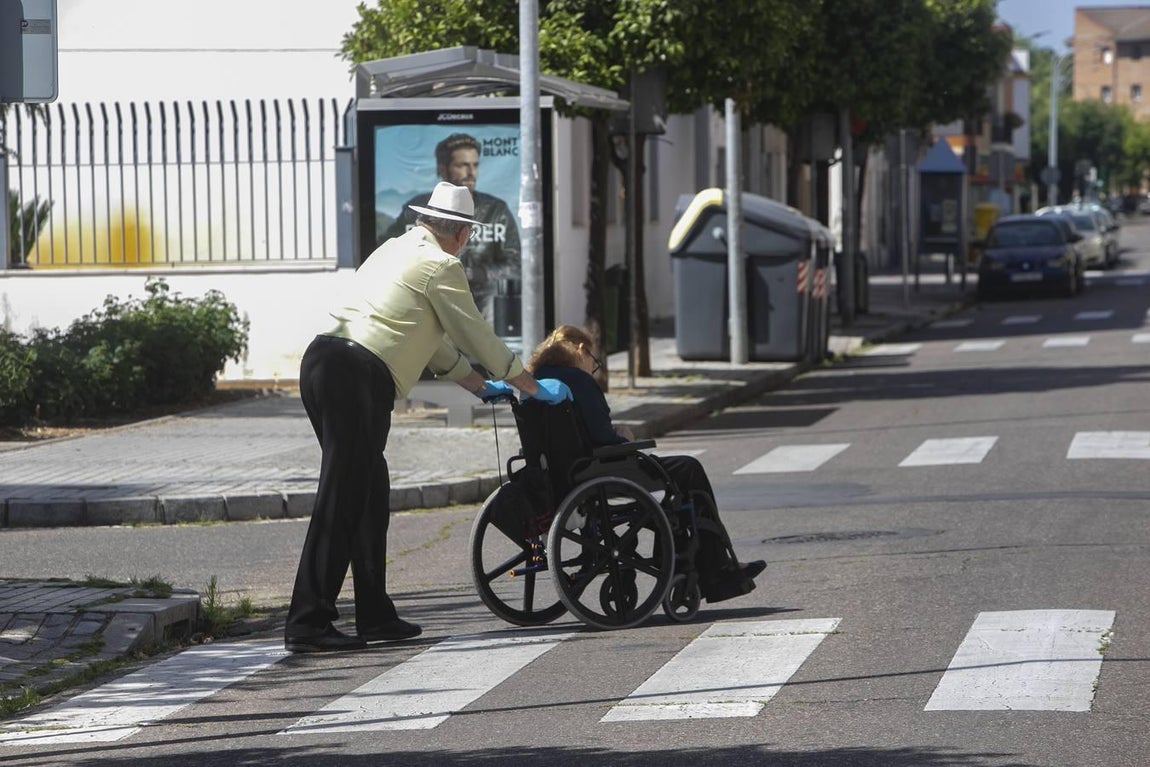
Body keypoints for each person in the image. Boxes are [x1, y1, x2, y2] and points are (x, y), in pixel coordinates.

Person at [285, 182, 571, 654]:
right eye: (467, 234)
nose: (466, 242)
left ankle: (374, 614)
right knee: (341, 497)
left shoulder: (394, 250)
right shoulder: (441, 265)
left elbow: (431, 340)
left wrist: (480, 387)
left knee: (369, 492)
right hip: (357, 376)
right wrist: (531, 386)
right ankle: (308, 621)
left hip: (322, 364)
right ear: (459, 232)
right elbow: (475, 334)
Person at [527, 325, 766, 603]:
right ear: (581, 351)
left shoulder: (534, 382)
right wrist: (624, 435)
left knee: (677, 475)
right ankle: (715, 567)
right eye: (594, 360)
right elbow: (604, 437)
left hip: (558, 475)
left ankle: (700, 561)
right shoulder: (578, 381)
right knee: (688, 469)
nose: (594, 366)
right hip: (597, 470)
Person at [382, 133, 521, 324]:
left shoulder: (497, 210)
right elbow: (390, 252)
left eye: (475, 165)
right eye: (462, 165)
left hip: (485, 313)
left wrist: (477, 273)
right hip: (429, 311)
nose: (471, 172)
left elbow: (517, 266)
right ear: (442, 169)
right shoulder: (412, 209)